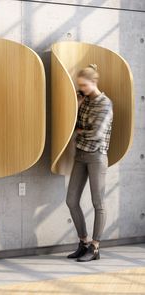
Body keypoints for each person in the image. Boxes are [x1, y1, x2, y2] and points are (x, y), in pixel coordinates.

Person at [66, 63, 113, 262]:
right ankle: (83, 242)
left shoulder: (105, 104)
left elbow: (96, 133)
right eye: (80, 85)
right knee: (71, 200)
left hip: (96, 156)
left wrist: (78, 133)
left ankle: (95, 247)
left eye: (84, 85)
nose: (82, 88)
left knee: (98, 202)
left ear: (94, 82)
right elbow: (73, 124)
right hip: (81, 155)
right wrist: (76, 105)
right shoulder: (83, 101)